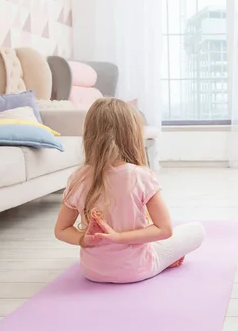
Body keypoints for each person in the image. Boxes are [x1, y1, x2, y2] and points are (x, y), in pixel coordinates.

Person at [54, 98, 205, 283]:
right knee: (197, 230)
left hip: (93, 272)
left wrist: (85, 240)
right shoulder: (141, 176)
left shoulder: (77, 178)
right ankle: (166, 260)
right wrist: (118, 237)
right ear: (131, 135)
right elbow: (164, 230)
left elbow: (61, 230)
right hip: (137, 269)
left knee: (153, 238)